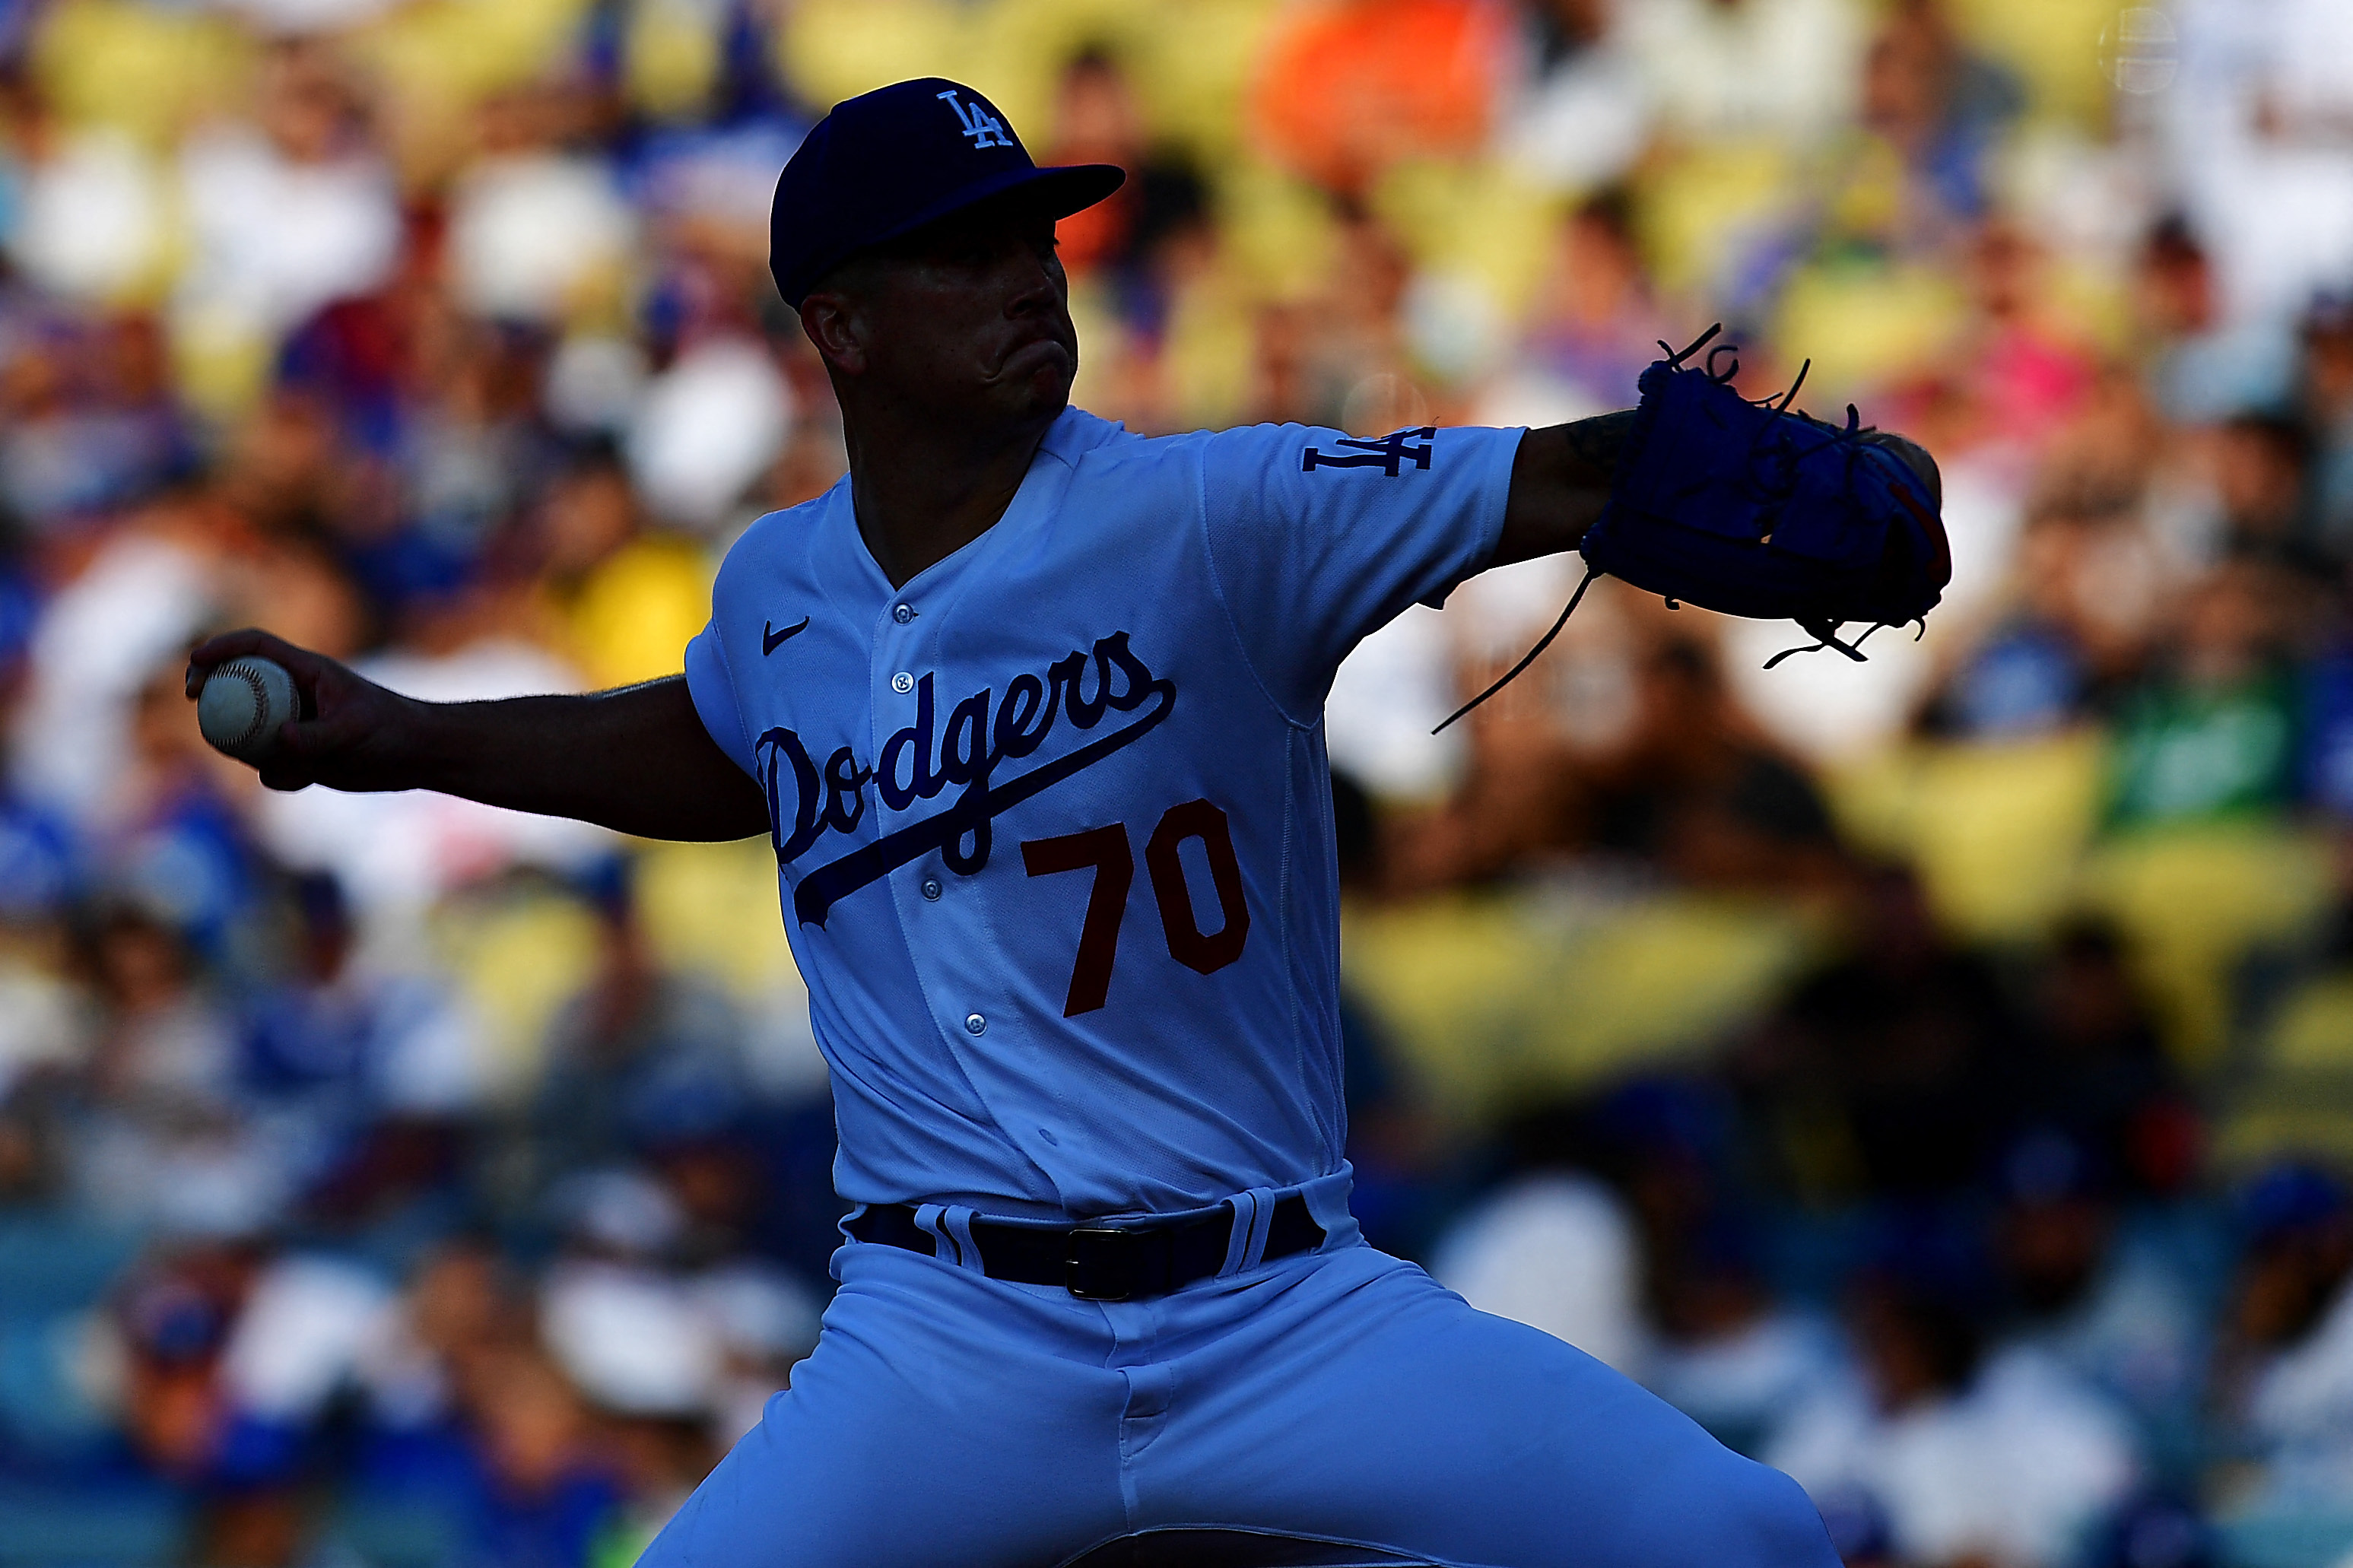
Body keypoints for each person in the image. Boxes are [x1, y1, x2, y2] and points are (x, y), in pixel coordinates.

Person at [189, 78, 1849, 1568]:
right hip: (943, 1336)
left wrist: (1782, 481)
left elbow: (1552, 477)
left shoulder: (1210, 512)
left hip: (1273, 1303)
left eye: (1030, 238)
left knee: (1734, 1530)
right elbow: (718, 746)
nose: (1026, 274)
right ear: (839, 328)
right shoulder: (780, 590)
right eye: (964, 252)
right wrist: (405, 736)